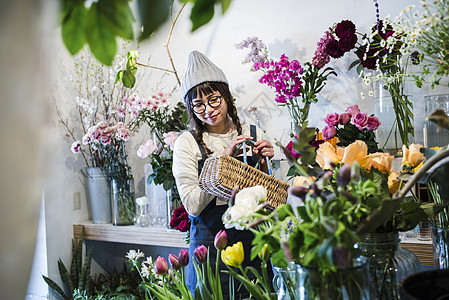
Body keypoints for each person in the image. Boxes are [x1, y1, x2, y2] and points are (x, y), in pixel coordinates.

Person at [172, 50, 274, 298]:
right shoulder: (187, 143)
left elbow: (268, 196)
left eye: (214, 99)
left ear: (226, 96)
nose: (208, 109)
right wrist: (224, 164)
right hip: (210, 248)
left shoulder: (253, 132)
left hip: (253, 242)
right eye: (198, 104)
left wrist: (267, 165)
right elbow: (193, 206)